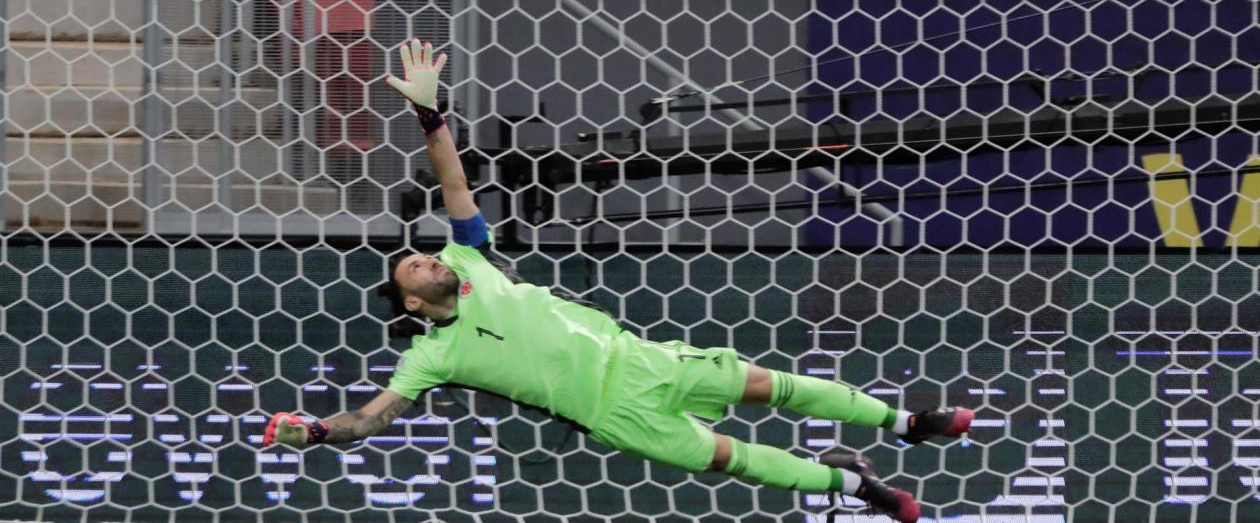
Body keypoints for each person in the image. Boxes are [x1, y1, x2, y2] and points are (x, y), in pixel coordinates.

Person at [262, 39, 974, 523]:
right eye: (415, 266)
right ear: (415, 302)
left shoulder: (473, 261)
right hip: (614, 412)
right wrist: (317, 431)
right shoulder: (432, 356)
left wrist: (428, 111)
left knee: (766, 384)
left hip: (637, 356)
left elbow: (452, 179)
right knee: (739, 460)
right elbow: (371, 417)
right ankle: (857, 484)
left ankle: (906, 423)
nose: (429, 259)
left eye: (425, 255)